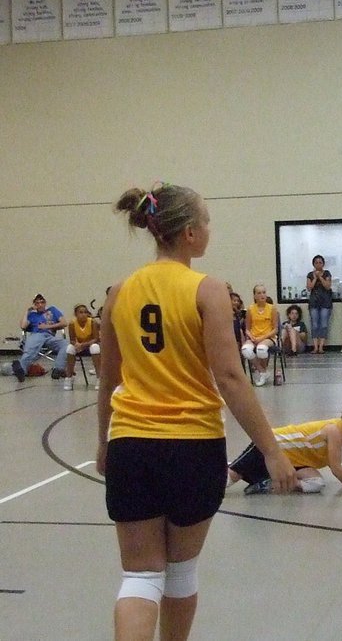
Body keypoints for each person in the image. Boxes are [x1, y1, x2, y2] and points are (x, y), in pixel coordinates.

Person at [96, 183, 296, 641]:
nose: (209, 230)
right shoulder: (208, 290)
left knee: (141, 577)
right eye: (206, 222)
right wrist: (271, 449)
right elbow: (229, 377)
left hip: (131, 444)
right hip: (193, 446)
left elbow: (109, 381)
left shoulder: (119, 292)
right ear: (189, 233)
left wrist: (103, 442)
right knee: (180, 573)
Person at [227, 389, 342, 497]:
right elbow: (336, 468)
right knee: (229, 478)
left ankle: (267, 483)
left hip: (292, 461)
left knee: (316, 483)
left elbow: (336, 467)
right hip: (269, 445)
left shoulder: (340, 434)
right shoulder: (334, 431)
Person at [12, 293, 69, 382]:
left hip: (50, 337)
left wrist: (47, 327)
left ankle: (58, 369)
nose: (40, 305)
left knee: (66, 345)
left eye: (42, 302)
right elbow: (23, 326)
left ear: (45, 303)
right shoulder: (32, 315)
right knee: (30, 349)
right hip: (36, 335)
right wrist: (28, 311)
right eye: (37, 303)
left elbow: (64, 323)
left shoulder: (53, 310)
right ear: (34, 305)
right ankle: (21, 370)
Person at [241, 284, 279, 387]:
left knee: (261, 349)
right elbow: (247, 329)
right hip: (254, 337)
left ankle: (263, 372)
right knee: (245, 350)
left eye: (264, 292)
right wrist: (252, 337)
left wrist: (261, 338)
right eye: (259, 293)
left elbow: (275, 329)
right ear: (254, 296)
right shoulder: (250, 309)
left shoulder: (272, 309)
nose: (262, 295)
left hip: (269, 337)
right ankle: (263, 372)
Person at [64, 303, 101, 391]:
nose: (83, 314)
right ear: (76, 314)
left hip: (89, 345)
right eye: (80, 312)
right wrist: (76, 344)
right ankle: (69, 377)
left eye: (85, 312)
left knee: (95, 348)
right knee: (69, 348)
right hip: (79, 346)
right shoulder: (72, 323)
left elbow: (96, 339)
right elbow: (72, 340)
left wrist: (83, 345)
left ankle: (99, 378)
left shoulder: (92, 322)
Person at [307, 255, 333, 354]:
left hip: (325, 303)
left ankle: (321, 347)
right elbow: (309, 288)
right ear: (313, 264)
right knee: (314, 325)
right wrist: (314, 278)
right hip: (314, 302)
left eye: (320, 262)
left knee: (324, 325)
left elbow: (327, 286)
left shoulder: (327, 273)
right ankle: (315, 346)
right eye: (316, 262)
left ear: (323, 264)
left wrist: (320, 277)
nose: (318, 264)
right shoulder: (310, 274)